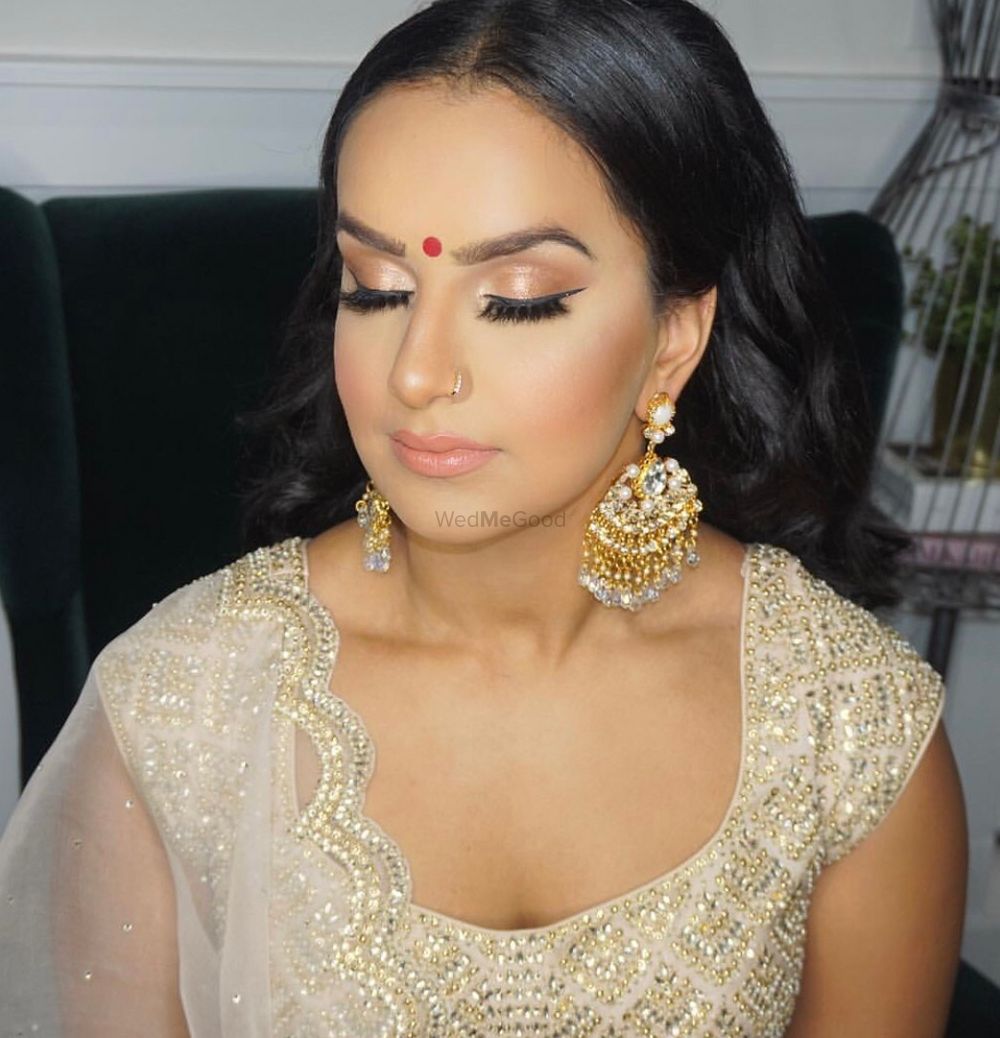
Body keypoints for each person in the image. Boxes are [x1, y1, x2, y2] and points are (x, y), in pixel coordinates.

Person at [0, 0, 969, 1034]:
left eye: (517, 298)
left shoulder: (848, 734)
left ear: (674, 338)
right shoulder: (181, 709)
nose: (416, 374)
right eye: (376, 289)